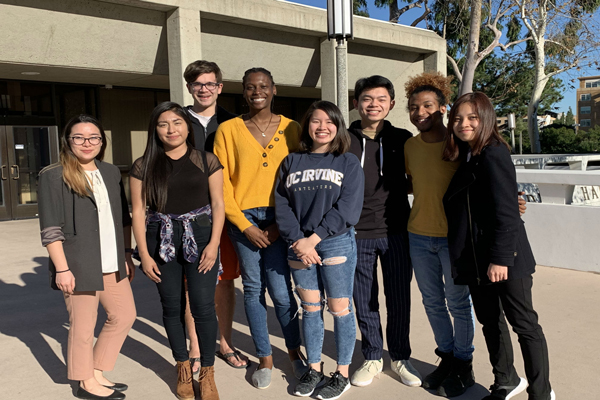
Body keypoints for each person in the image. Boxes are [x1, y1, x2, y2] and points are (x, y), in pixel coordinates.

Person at [443, 92, 554, 400]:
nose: (463, 124)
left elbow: (507, 211)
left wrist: (501, 259)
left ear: (486, 119)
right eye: (457, 118)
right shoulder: (467, 154)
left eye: (472, 118)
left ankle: (541, 392)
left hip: (506, 258)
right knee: (491, 323)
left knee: (524, 324)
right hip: (476, 259)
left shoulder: (494, 152)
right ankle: (506, 380)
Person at [213, 67, 307, 390]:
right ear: (243, 92)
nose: (258, 91)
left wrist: (282, 224)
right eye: (251, 87)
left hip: (281, 217)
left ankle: (294, 352)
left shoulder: (292, 128)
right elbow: (222, 184)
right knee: (253, 290)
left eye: (263, 85)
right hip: (243, 220)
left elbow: (299, 179)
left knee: (282, 292)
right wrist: (243, 225)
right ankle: (265, 357)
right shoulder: (228, 130)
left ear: (274, 89)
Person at [38, 115, 136, 400]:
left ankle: (97, 370)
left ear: (102, 142)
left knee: (124, 315)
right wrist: (62, 269)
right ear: (68, 141)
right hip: (77, 263)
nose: (87, 143)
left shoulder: (110, 172)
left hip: (111, 259)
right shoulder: (53, 175)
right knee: (82, 327)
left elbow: (122, 219)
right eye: (79, 137)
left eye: (94, 137)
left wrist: (127, 254)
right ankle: (84, 382)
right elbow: (51, 228)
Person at [130, 102, 224, 400]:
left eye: (177, 122)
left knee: (203, 307)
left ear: (187, 126)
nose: (171, 129)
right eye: (163, 124)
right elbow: (136, 211)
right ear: (154, 130)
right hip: (161, 238)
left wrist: (213, 245)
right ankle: (183, 367)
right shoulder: (143, 166)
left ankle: (207, 373)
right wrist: (144, 254)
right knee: (171, 306)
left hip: (200, 235)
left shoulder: (206, 160)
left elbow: (219, 205)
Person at [275, 101, 364, 399]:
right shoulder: (291, 162)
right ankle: (313, 368)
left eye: (329, 121)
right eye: (315, 121)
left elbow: (349, 208)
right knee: (311, 309)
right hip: (298, 245)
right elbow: (283, 204)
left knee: (340, 309)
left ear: (338, 126)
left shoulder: (347, 162)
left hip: (334, 242)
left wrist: (313, 239)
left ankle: (342, 373)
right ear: (307, 126)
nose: (322, 126)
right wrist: (299, 240)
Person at [403, 72, 477, 397]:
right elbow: (414, 182)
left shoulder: (459, 141)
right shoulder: (409, 145)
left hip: (454, 239)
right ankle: (446, 357)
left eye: (428, 106)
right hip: (418, 235)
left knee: (458, 303)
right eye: (415, 107)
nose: (420, 113)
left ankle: (464, 364)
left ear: (443, 108)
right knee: (432, 302)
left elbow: (482, 179)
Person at [347, 76, 421, 388]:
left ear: (391, 104)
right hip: (356, 232)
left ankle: (401, 356)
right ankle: (373, 355)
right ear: (356, 103)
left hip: (396, 231)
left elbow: (420, 179)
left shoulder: (404, 139)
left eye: (381, 99)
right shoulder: (343, 139)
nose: (373, 104)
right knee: (364, 300)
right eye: (367, 98)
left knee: (399, 297)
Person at [183, 60, 248, 373]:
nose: (204, 89)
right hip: (185, 216)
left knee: (223, 282)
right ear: (189, 87)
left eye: (210, 83)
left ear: (220, 87)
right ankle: (196, 348)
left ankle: (225, 343)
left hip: (225, 213)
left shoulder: (235, 124)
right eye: (198, 84)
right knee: (189, 283)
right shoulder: (176, 120)